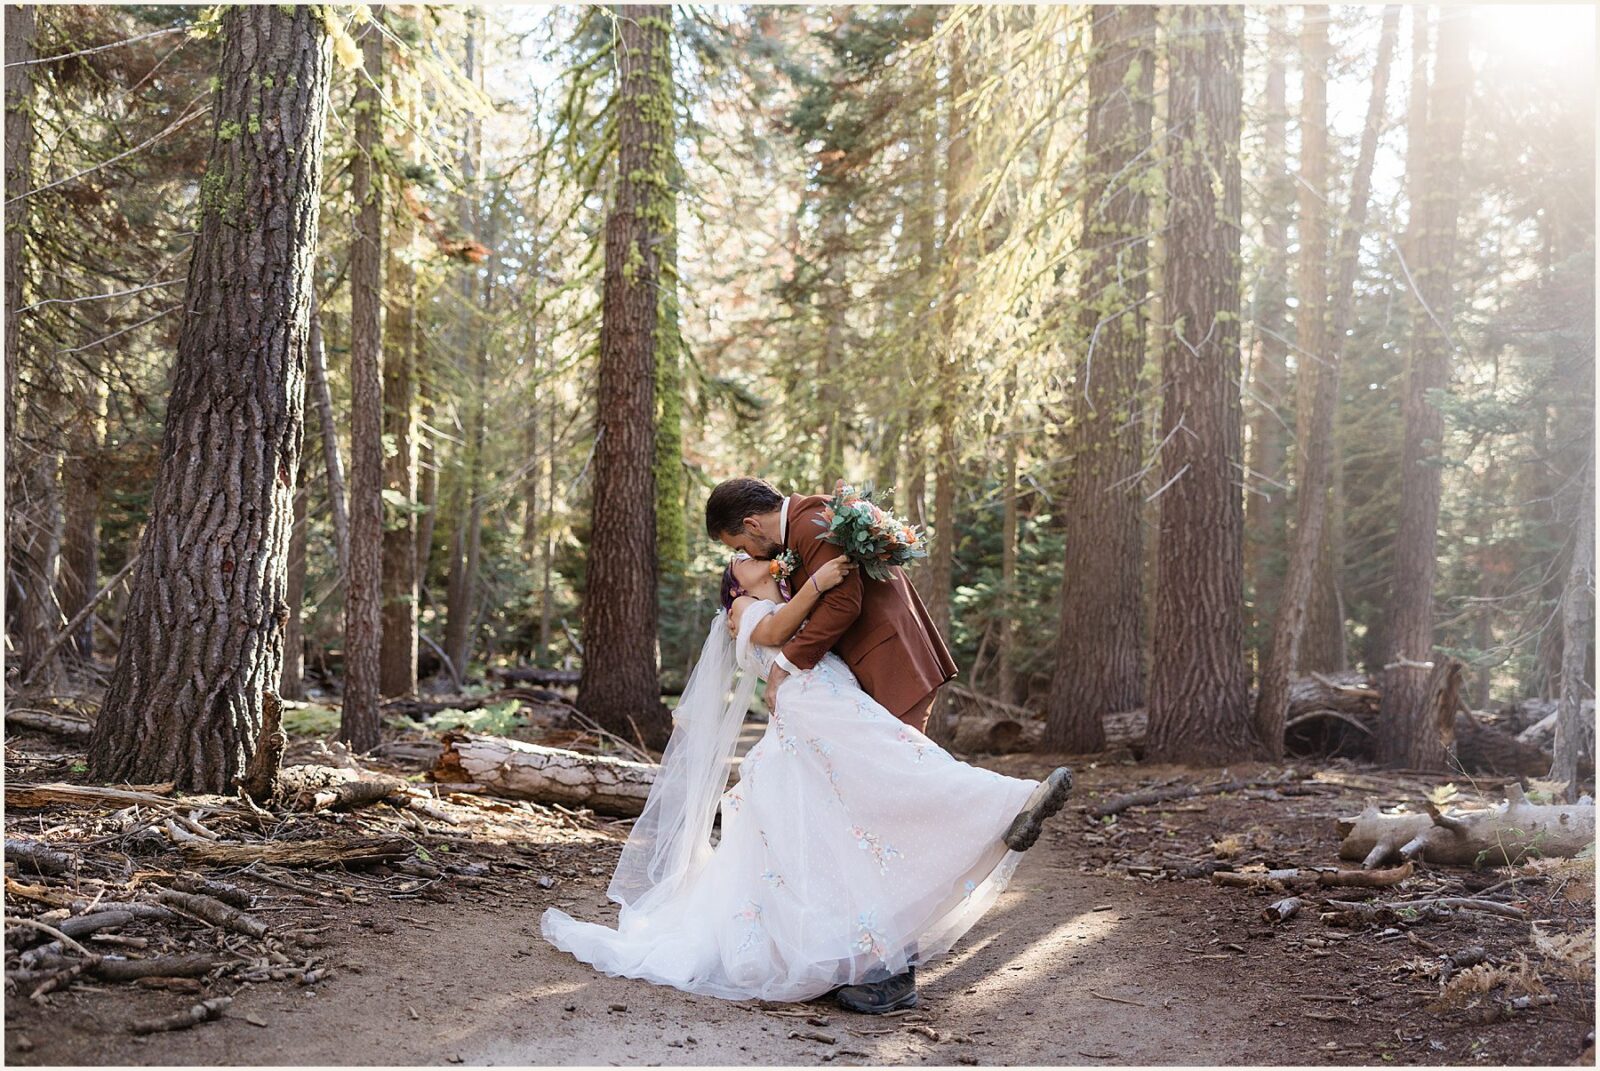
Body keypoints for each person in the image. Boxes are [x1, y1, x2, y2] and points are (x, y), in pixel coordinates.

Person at [539, 479, 1072, 1013]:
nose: (752, 560)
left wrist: (803, 619)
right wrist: (810, 588)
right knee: (858, 816)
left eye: (739, 549)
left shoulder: (812, 525)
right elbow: (784, 626)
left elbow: (842, 605)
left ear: (749, 525)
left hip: (873, 673)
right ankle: (877, 957)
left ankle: (994, 818)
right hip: (828, 695)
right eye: (742, 562)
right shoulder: (748, 604)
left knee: (887, 792)